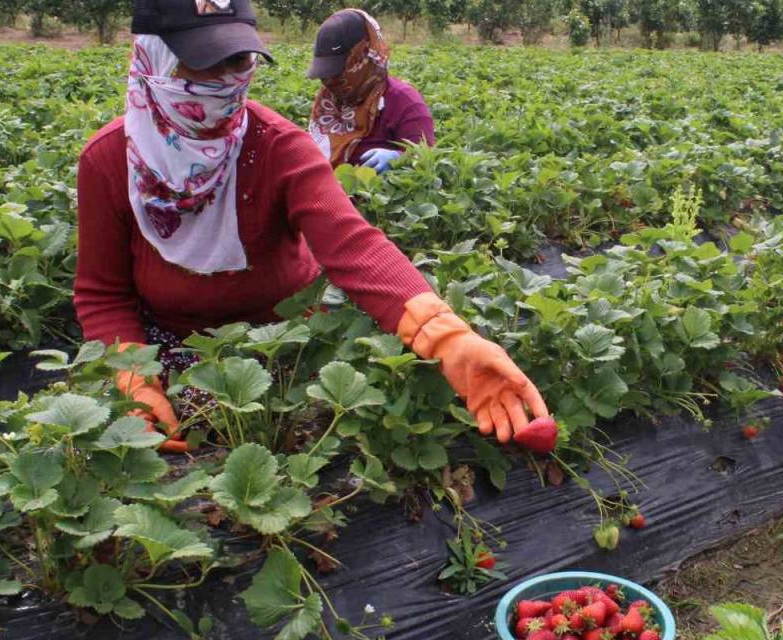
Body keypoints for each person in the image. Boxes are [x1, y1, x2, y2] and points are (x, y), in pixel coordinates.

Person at [75, 0, 545, 453]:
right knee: (149, 430)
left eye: (238, 59)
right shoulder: (110, 162)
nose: (225, 81)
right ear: (153, 58)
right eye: (203, 63)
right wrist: (134, 376)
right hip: (172, 341)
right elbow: (104, 293)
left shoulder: (278, 147)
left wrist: (449, 338)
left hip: (287, 339)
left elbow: (353, 244)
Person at [306, 8, 436, 173]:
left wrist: (399, 158)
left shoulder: (404, 102)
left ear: (365, 58)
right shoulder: (328, 101)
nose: (328, 81)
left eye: (337, 72)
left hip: (376, 196)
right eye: (325, 73)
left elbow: (427, 157)